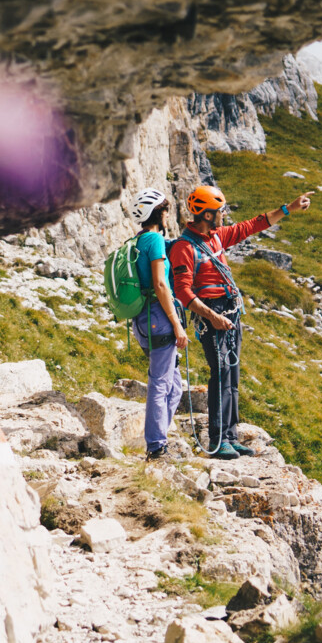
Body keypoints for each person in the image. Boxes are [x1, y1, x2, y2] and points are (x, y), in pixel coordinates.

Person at [169, 185, 313, 457]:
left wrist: (288, 209)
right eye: (221, 211)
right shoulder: (184, 247)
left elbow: (252, 226)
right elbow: (183, 291)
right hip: (211, 312)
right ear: (208, 215)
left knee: (231, 374)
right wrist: (213, 317)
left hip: (230, 310)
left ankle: (231, 436)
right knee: (220, 373)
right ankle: (217, 440)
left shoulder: (216, 237)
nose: (224, 215)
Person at [126, 188, 189, 458]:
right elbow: (161, 285)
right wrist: (177, 324)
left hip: (141, 320)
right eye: (165, 211)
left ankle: (158, 437)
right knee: (160, 383)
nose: (167, 216)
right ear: (157, 213)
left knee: (175, 386)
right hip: (159, 319)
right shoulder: (153, 240)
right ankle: (155, 447)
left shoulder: (135, 241)